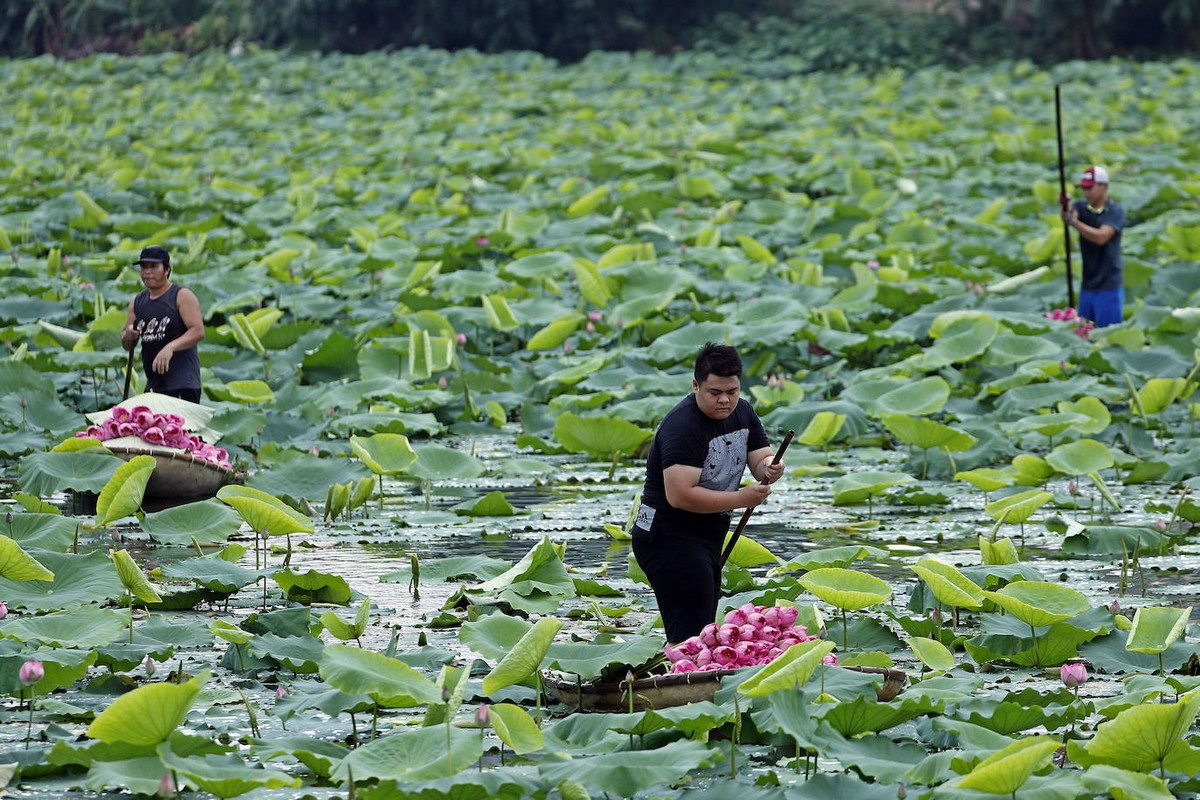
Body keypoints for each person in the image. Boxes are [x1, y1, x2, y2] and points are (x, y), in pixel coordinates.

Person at [631, 342, 785, 644]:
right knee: (690, 634)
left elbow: (759, 458)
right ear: (696, 385)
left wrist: (770, 467)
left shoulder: (743, 412)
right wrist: (742, 498)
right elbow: (681, 495)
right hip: (668, 535)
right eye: (715, 393)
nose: (725, 400)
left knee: (702, 629)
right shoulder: (683, 426)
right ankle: (679, 682)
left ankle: (689, 680)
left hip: (706, 534)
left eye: (732, 391)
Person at [119, 245, 205, 403]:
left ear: (167, 270)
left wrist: (170, 347)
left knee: (182, 428)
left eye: (154, 266)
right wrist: (129, 335)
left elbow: (198, 331)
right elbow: (126, 343)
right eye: (144, 267)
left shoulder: (181, 295)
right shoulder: (137, 302)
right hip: (155, 384)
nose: (147, 271)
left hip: (183, 383)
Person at [1062, 165, 1126, 327]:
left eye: (1089, 188)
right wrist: (1065, 207)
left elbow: (1101, 237)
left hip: (1108, 286)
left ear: (1103, 186)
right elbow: (1072, 213)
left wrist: (1075, 223)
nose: (1086, 193)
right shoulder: (1081, 207)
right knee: (1083, 332)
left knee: (1106, 334)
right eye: (1083, 188)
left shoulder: (1115, 212)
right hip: (1087, 285)